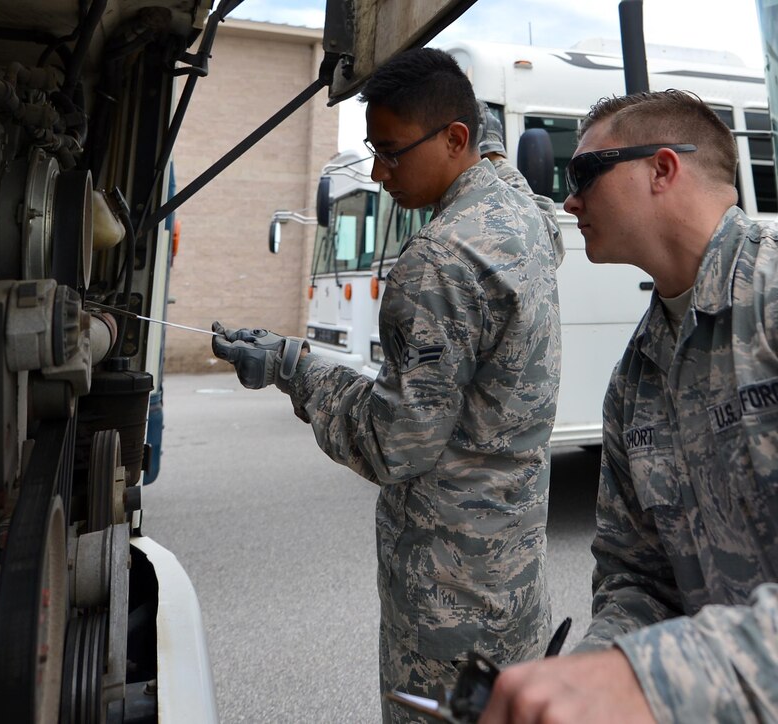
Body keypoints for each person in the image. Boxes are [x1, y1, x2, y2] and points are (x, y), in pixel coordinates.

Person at [211, 47, 562, 723]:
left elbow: (393, 443)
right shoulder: (525, 215)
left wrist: (292, 364)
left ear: (455, 139)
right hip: (514, 579)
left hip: (447, 602)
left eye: (392, 151)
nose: (377, 172)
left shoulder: (437, 263)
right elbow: (486, 137)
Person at [479, 89, 778, 723]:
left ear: (662, 170)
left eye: (584, 172)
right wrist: (590, 671)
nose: (569, 200)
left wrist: (653, 678)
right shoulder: (636, 377)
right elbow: (636, 578)